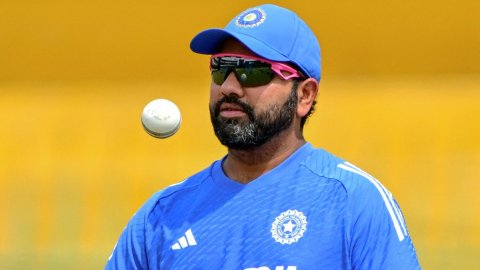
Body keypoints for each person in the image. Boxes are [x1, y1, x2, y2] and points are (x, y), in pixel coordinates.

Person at [106, 4, 421, 270]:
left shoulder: (353, 202)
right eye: (220, 68)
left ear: (305, 95)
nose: (229, 87)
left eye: (252, 71)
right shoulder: (162, 215)